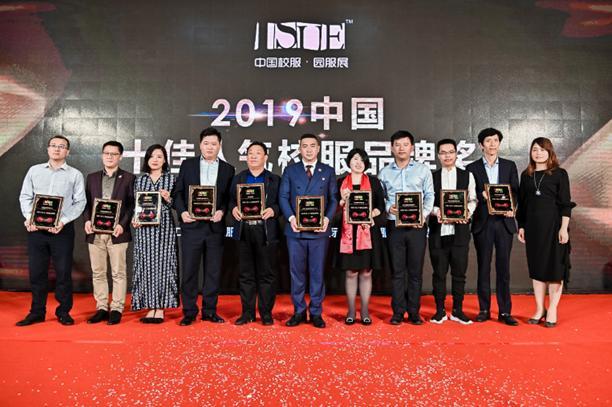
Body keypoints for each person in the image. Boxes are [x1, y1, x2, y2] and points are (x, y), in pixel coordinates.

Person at [17, 135, 86, 326]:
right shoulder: (34, 171)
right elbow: (25, 197)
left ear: (67, 151)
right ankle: (37, 312)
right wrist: (29, 218)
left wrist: (63, 221)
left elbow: (80, 202)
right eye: (53, 145)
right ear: (48, 149)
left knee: (63, 273)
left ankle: (63, 312)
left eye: (61, 146)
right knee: (37, 272)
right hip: (36, 229)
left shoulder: (75, 175)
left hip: (62, 230)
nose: (57, 149)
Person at [173, 127, 235, 326]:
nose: (210, 147)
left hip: (215, 228)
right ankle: (189, 311)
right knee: (190, 271)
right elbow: (178, 193)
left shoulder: (228, 169)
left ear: (220, 145)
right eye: (206, 143)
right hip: (192, 227)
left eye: (214, 144)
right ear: (200, 145)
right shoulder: (188, 165)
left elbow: (229, 198)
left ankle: (209, 311)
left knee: (213, 272)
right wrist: (183, 212)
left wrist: (222, 211)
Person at [279, 134, 338, 328]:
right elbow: (283, 197)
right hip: (295, 231)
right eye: (305, 146)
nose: (309, 149)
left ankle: (316, 312)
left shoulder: (327, 171)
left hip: (319, 232)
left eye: (313, 145)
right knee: (296, 273)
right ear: (300, 149)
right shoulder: (290, 170)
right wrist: (291, 218)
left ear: (318, 148)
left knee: (317, 273)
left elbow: (333, 199)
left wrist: (327, 219)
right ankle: (298, 311)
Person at [517, 137, 574, 328]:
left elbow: (566, 203)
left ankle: (552, 309)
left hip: (555, 228)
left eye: (542, 150)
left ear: (550, 152)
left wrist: (564, 228)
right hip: (533, 229)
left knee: (555, 269)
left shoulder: (559, 174)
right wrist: (521, 226)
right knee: (537, 270)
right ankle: (539, 308)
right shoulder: (526, 175)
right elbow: (522, 205)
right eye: (535, 149)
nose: (538, 153)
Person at [379, 130, 434, 325]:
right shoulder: (384, 172)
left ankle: (414, 312)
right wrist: (389, 207)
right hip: (395, 225)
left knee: (415, 272)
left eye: (405, 144)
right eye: (397, 145)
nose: (401, 148)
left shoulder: (423, 170)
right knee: (397, 272)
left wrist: (423, 215)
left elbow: (430, 195)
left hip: (417, 227)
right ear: (391, 148)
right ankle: (397, 312)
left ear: (412, 148)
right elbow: (381, 198)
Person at [466, 128, 519, 326]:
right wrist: (481, 195)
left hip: (504, 223)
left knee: (504, 268)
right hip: (484, 222)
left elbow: (515, 191)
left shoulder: (509, 165)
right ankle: (484, 309)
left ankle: (505, 311)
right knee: (483, 267)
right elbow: (468, 194)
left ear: (499, 143)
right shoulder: (472, 168)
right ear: (481, 145)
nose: (492, 144)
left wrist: (512, 208)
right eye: (488, 141)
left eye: (495, 140)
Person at [229, 142, 281, 326]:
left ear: (265, 157)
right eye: (250, 153)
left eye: (258, 153)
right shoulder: (238, 178)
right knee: (246, 274)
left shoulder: (275, 179)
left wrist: (273, 210)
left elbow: (282, 203)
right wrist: (234, 208)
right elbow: (230, 200)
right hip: (244, 230)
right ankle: (247, 313)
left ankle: (266, 313)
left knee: (267, 274)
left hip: (265, 230)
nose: (253, 156)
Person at [83, 141, 135, 325]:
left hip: (117, 233)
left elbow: (132, 205)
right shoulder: (92, 177)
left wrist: (122, 224)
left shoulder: (129, 178)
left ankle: (117, 308)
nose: (110, 156)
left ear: (120, 156)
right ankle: (102, 307)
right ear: (102, 155)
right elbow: (86, 203)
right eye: (106, 153)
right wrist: (87, 220)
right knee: (98, 272)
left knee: (118, 272)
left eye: (114, 154)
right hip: (95, 232)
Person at [428, 139, 477, 325]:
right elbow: (427, 201)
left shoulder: (467, 176)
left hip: (460, 232)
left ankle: (458, 310)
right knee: (439, 273)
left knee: (459, 273)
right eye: (443, 152)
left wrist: (467, 213)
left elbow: (473, 200)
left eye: (450, 152)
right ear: (438, 156)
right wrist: (436, 211)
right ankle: (439, 310)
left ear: (456, 154)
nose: (447, 156)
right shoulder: (431, 177)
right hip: (438, 232)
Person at [334, 148, 385, 325]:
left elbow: (381, 207)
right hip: (347, 233)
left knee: (366, 272)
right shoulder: (340, 183)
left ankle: (364, 310)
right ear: (349, 162)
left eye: (362, 160)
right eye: (355, 159)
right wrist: (342, 200)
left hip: (367, 232)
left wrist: (371, 214)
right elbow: (334, 209)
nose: (358, 163)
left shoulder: (374, 182)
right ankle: (350, 310)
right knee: (350, 272)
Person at [131, 144, 179, 323]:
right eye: (152, 156)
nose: (155, 159)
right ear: (147, 159)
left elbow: (177, 204)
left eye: (159, 156)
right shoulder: (140, 180)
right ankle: (150, 306)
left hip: (164, 227)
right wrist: (135, 218)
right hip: (144, 228)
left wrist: (168, 198)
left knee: (164, 265)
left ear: (165, 160)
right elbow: (135, 205)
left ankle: (161, 307)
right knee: (146, 265)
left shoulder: (171, 179)